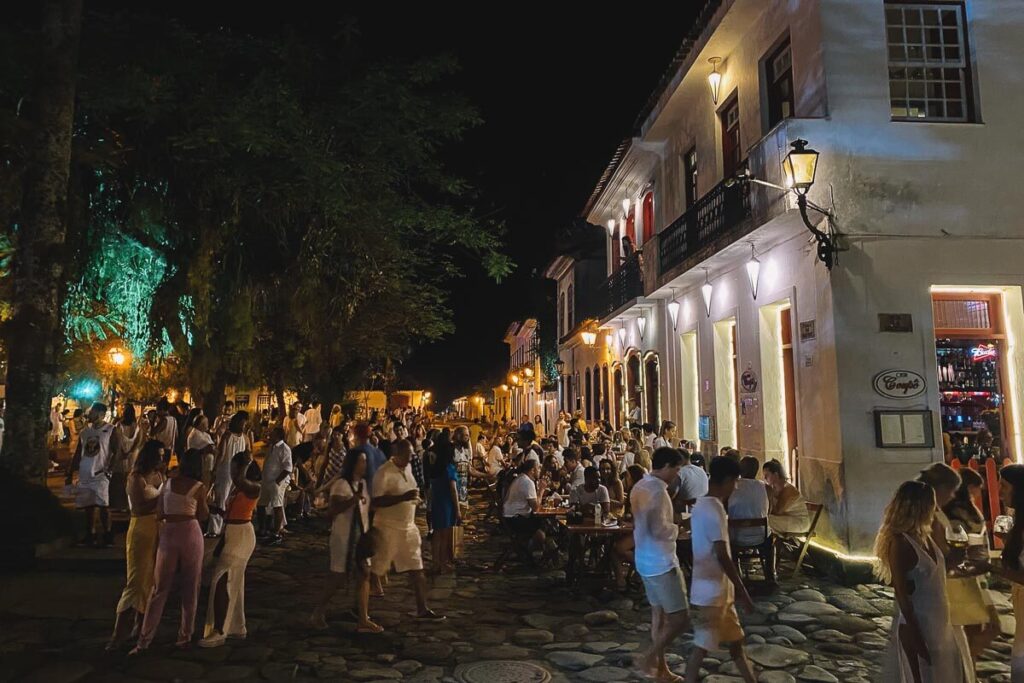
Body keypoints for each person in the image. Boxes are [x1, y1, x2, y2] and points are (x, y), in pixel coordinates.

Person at [875, 479, 970, 682]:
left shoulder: (924, 536)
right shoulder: (900, 543)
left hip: (940, 622)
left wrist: (955, 561)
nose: (935, 509)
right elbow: (901, 592)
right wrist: (915, 635)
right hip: (920, 622)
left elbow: (931, 575)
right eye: (931, 504)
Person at [685, 456, 757, 683]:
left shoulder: (700, 506)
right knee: (701, 648)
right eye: (735, 481)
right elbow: (722, 555)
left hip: (716, 591)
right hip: (712, 593)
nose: (735, 487)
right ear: (726, 480)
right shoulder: (714, 509)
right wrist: (743, 590)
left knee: (736, 645)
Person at [131, 449, 209, 653]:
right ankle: (184, 636)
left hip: (169, 533)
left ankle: (144, 640)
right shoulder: (199, 487)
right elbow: (202, 514)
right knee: (191, 587)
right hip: (190, 533)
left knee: (159, 589)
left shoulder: (168, 483)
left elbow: (160, 513)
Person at [631, 447, 688, 683]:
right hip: (661, 561)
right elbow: (660, 529)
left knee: (659, 616)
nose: (677, 474)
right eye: (676, 469)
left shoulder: (639, 487)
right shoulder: (658, 492)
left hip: (643, 558)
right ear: (665, 466)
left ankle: (662, 670)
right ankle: (650, 657)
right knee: (680, 619)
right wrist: (680, 528)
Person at [370, 439, 443, 620]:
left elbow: (410, 491)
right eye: (408, 455)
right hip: (387, 527)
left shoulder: (408, 469)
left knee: (417, 568)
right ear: (397, 454)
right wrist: (402, 497)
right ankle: (359, 608)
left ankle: (422, 608)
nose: (411, 458)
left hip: (408, 527)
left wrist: (414, 499)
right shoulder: (383, 473)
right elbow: (375, 502)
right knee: (374, 569)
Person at [311, 448, 381, 633]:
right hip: (343, 538)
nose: (364, 465)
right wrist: (352, 500)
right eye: (361, 461)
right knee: (338, 577)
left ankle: (363, 618)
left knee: (364, 574)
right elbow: (332, 511)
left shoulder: (364, 484)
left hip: (360, 539)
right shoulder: (341, 485)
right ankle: (318, 611)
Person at [107, 440, 165, 651]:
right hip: (141, 529)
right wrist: (163, 499)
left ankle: (139, 626)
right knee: (136, 581)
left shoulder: (159, 476)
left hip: (158, 529)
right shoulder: (135, 478)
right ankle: (117, 634)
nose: (162, 459)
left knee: (150, 581)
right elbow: (139, 507)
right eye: (159, 455)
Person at [199, 451, 261, 647]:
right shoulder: (239, 488)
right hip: (232, 532)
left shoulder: (253, 487)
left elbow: (241, 479)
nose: (232, 473)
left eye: (234, 468)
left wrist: (245, 463)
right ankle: (236, 626)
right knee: (234, 582)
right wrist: (218, 511)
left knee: (221, 580)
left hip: (242, 535)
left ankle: (220, 629)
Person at [943, 468, 1000, 659]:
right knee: (978, 628)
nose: (979, 492)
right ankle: (968, 671)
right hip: (964, 576)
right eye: (977, 488)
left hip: (969, 574)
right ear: (968, 487)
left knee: (978, 628)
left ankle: (969, 671)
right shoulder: (959, 512)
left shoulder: (954, 509)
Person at [979, 465, 1024, 679]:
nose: (999, 490)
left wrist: (988, 567)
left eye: (1004, 486)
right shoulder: (1018, 521)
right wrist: (1008, 541)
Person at [66, 402, 116, 547]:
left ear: (101, 414)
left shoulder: (111, 430)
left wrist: (109, 470)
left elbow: (116, 450)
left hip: (101, 472)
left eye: (92, 411)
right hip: (86, 472)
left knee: (103, 505)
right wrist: (71, 472)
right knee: (89, 505)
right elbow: (78, 453)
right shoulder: (85, 432)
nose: (89, 414)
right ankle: (91, 534)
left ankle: (108, 534)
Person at [727, 456, 774, 584]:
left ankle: (735, 575)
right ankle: (770, 574)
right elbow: (768, 511)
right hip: (761, 536)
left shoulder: (732, 487)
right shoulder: (766, 488)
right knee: (771, 539)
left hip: (736, 536)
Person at [209, 412, 251, 537]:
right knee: (230, 499)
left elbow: (221, 455)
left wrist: (214, 469)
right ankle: (227, 527)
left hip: (225, 471)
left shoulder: (227, 436)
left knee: (220, 499)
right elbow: (249, 455)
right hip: (238, 473)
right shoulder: (245, 438)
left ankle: (215, 529)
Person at [429, 432, 461, 574]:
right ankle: (442, 564)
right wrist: (458, 509)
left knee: (436, 535)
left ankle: (435, 563)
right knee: (445, 536)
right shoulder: (449, 468)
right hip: (447, 504)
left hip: (437, 502)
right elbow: (453, 490)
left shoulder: (436, 468)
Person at [502, 459, 549, 551]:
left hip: (510, 515)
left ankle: (531, 550)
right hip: (515, 519)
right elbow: (536, 507)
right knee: (543, 524)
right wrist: (541, 490)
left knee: (543, 523)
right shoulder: (527, 482)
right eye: (538, 468)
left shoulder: (522, 478)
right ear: (532, 470)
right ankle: (537, 550)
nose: (540, 471)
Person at [260, 426, 293, 545]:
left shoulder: (284, 448)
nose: (270, 435)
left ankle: (276, 533)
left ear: (278, 435)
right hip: (266, 480)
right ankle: (264, 529)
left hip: (276, 481)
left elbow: (288, 468)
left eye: (272, 433)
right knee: (262, 504)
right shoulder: (272, 446)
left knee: (277, 506)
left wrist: (277, 481)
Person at [111, 404, 144, 511]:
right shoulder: (137, 426)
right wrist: (131, 451)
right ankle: (130, 504)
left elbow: (116, 441)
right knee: (130, 479)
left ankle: (121, 504)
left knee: (120, 481)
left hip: (120, 455)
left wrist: (123, 452)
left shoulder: (119, 425)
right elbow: (139, 441)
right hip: (133, 455)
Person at [762, 459, 809, 534]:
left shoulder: (788, 489)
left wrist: (769, 496)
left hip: (799, 522)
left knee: (765, 521)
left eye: (767, 475)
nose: (764, 478)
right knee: (764, 519)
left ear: (776, 475)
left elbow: (778, 511)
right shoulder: (774, 489)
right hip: (786, 519)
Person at [351, 423, 388, 489]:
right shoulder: (379, 453)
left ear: (357, 436)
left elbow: (345, 473)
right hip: (379, 489)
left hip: (363, 491)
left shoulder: (355, 453)